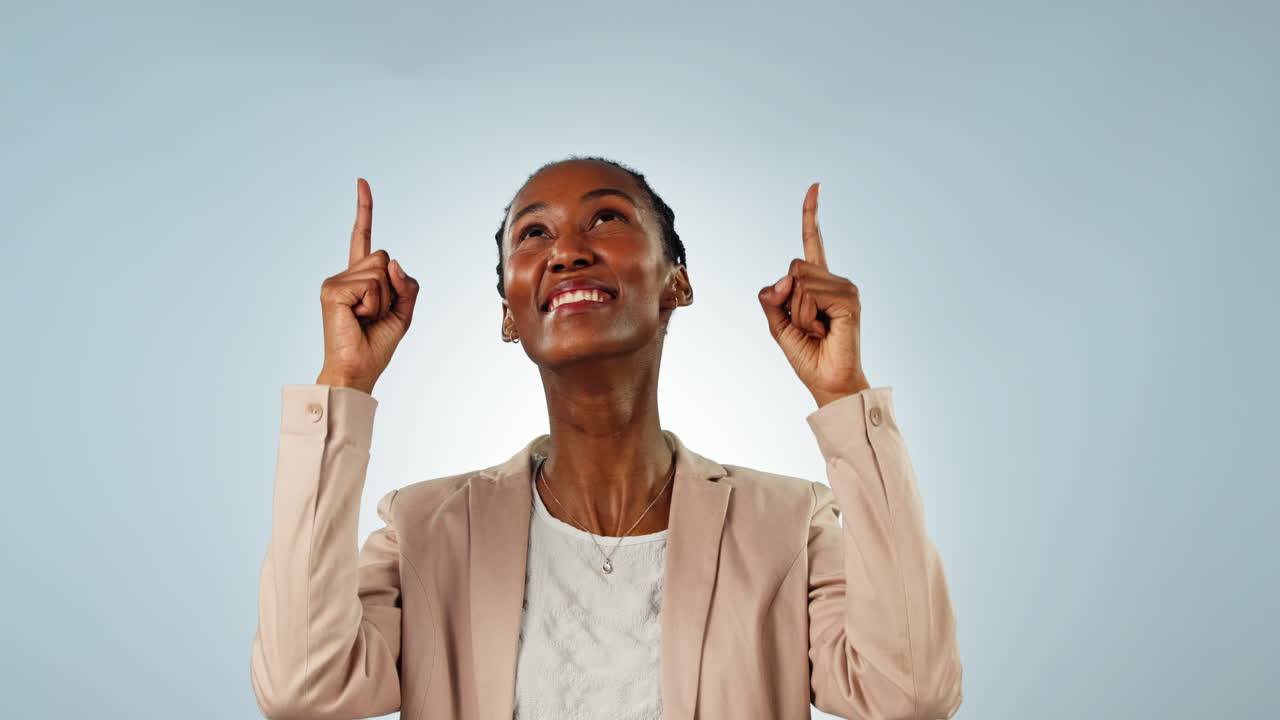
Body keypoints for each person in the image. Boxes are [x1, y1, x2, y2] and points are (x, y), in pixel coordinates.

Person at [249, 156, 964, 720]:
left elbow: (909, 694)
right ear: (509, 312)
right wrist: (343, 383)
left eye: (606, 220)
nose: (565, 251)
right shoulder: (424, 531)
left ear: (675, 283)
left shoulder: (788, 526)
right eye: (533, 234)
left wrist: (844, 396)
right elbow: (304, 690)